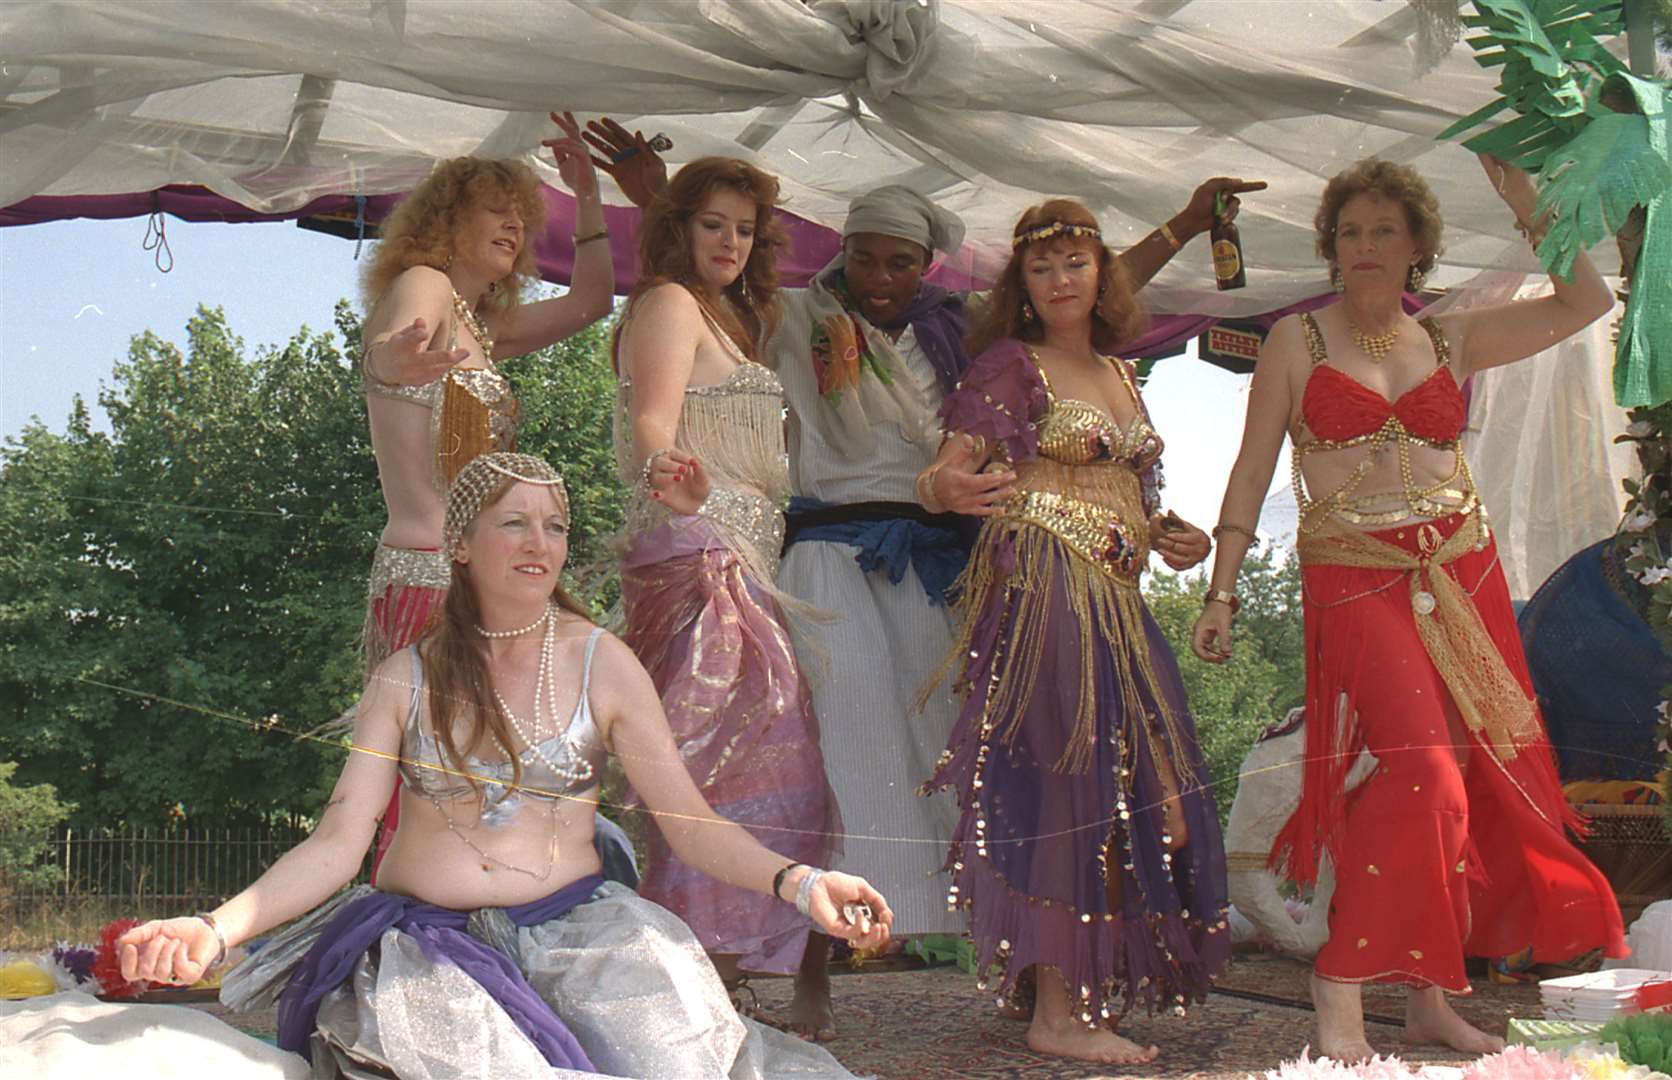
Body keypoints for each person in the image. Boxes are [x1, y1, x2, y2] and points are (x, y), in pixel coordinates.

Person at [583, 116, 1259, 1040]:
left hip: (947, 558)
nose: (880, 276)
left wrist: (1181, 227)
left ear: (926, 266)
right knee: (836, 737)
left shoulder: (964, 337)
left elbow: (1083, 289)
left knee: (966, 752)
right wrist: (651, 195)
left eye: (900, 261)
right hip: (826, 549)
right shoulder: (793, 317)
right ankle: (812, 964)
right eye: (864, 257)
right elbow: (715, 255)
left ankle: (1027, 963)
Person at [117, 453, 891, 1080]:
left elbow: (689, 825)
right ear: (461, 545)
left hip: (585, 935)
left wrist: (803, 882)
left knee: (685, 1060)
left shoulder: (605, 664)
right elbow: (337, 843)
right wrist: (214, 929)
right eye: (514, 523)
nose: (540, 544)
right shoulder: (405, 676)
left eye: (554, 526)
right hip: (430, 954)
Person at [1191, 154, 1626, 1063]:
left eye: (1383, 230)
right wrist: (1223, 589)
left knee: (1469, 783)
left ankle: (1432, 995)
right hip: (1354, 578)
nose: (1364, 246)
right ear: (1331, 247)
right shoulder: (1296, 341)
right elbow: (1252, 465)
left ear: (1418, 245)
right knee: (1421, 771)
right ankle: (1341, 982)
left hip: (1460, 572)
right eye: (1349, 232)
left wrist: (1531, 206)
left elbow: (1585, 303)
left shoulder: (1451, 338)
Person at [920, 198, 1229, 1066]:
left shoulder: (1122, 373)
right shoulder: (1009, 366)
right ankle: (1057, 1011)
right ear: (1022, 282)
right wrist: (943, 491)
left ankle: (1066, 989)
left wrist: (1181, 538)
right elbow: (947, 471)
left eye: (1076, 263)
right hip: (1046, 586)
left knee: (1154, 794)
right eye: (1042, 266)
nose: (1060, 280)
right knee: (1076, 782)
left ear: (1103, 275)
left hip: (1120, 599)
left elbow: (1139, 495)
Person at [609, 156, 841, 1031]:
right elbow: (652, 418)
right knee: (718, 765)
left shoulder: (736, 319)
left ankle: (723, 972)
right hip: (700, 556)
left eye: (745, 230)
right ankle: (690, 976)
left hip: (744, 555)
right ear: (679, 229)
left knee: (763, 770)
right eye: (714, 225)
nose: (732, 243)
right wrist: (671, 467)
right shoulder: (668, 304)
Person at [357, 113, 616, 880]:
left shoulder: (482, 326)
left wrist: (591, 200)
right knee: (442, 784)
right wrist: (388, 362)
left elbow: (591, 303)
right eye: (493, 208)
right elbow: (388, 350)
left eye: (524, 217)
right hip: (432, 581)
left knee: (487, 783)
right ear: (446, 217)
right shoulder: (425, 286)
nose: (512, 224)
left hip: (480, 582)